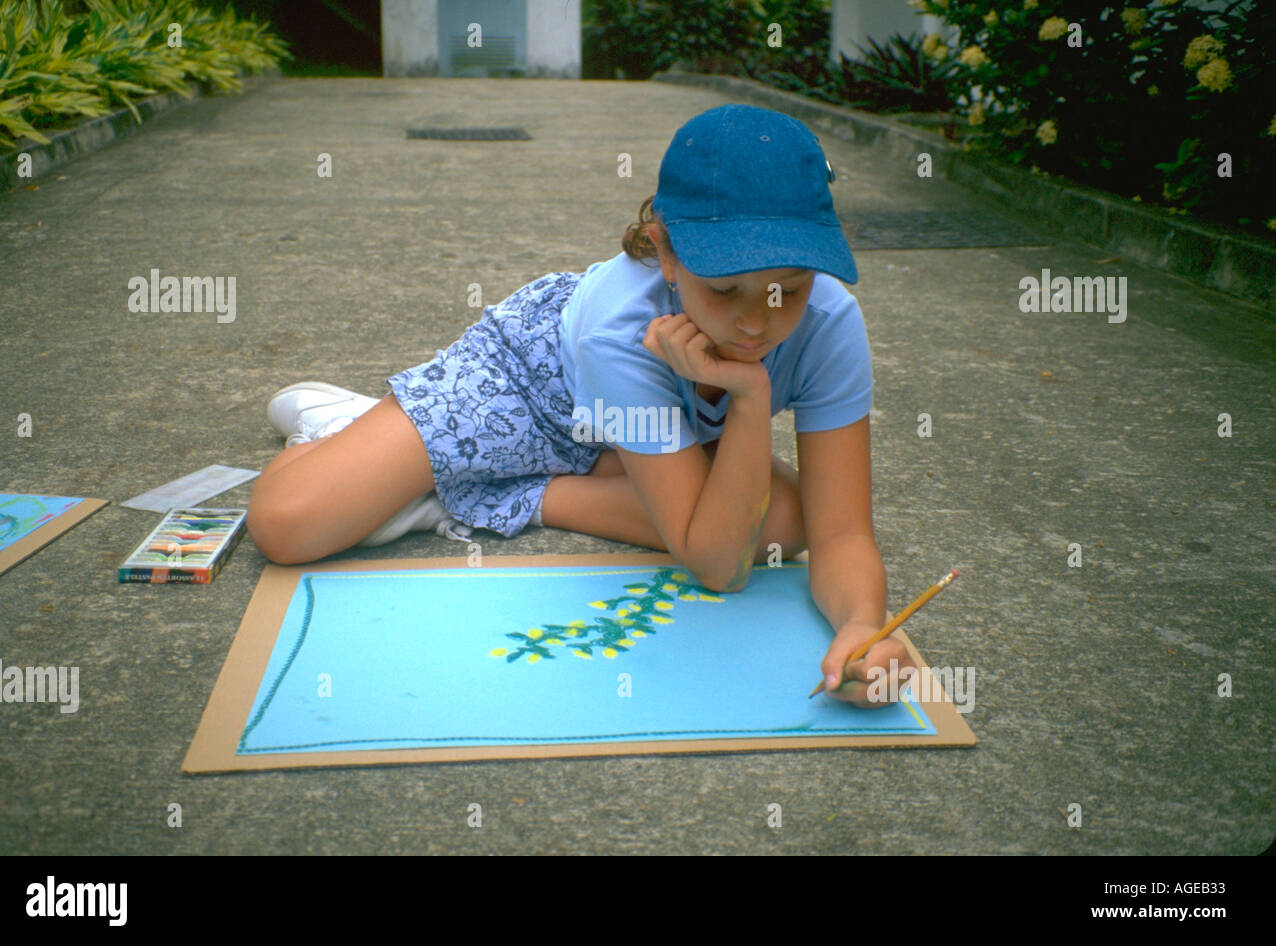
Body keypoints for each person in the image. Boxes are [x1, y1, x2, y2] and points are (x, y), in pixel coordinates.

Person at [247, 104, 913, 706]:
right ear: (665, 249)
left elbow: (842, 535)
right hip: (533, 388)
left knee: (786, 524)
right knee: (287, 525)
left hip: (642, 435)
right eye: (725, 289)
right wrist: (751, 392)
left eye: (786, 292)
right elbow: (715, 567)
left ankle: (484, 489)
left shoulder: (832, 326)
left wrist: (862, 623)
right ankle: (343, 430)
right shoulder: (619, 325)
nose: (752, 325)